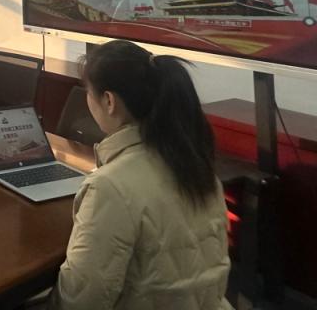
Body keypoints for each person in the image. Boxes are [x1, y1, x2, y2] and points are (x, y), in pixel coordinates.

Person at [48, 39, 231, 310]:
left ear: (109, 101)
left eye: (88, 92)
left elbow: (81, 300)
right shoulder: (194, 164)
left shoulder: (110, 186)